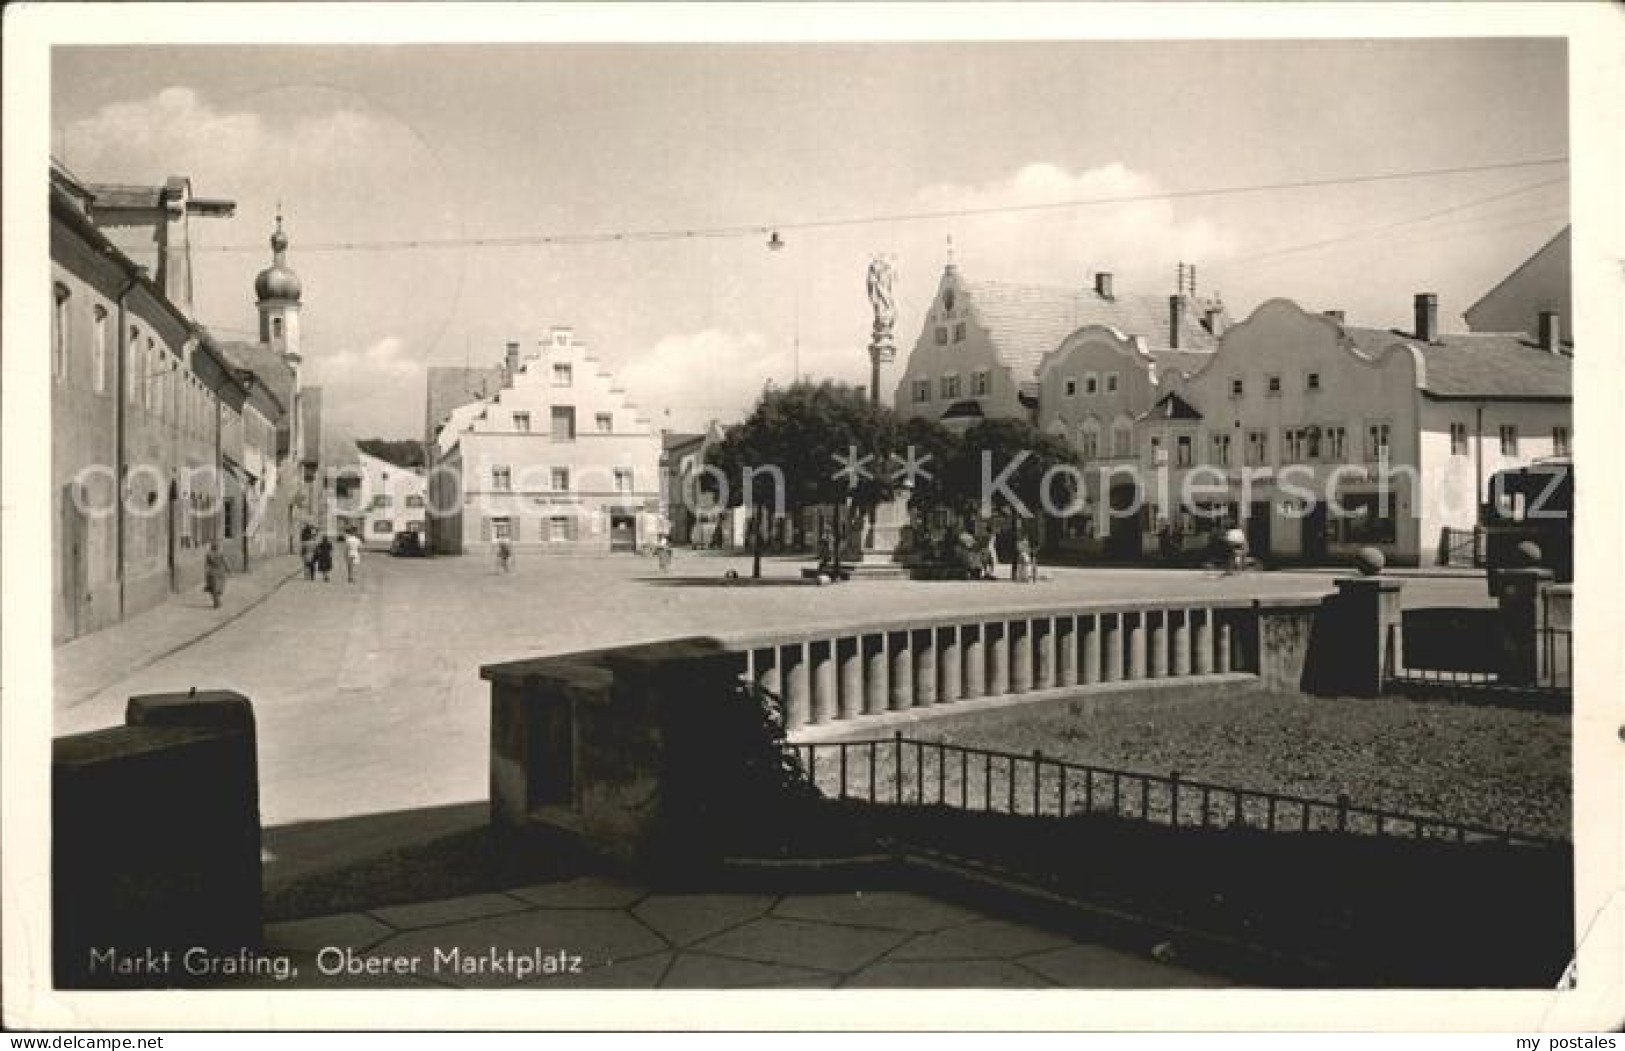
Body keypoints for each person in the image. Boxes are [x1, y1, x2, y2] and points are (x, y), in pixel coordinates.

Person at [203, 540, 229, 609]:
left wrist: (206, 572)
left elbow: (206, 564)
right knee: (218, 589)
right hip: (220, 572)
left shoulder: (209, 554)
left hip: (212, 573)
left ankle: (216, 602)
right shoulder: (220, 554)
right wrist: (228, 570)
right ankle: (217, 601)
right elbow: (225, 562)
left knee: (212, 588)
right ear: (217, 547)